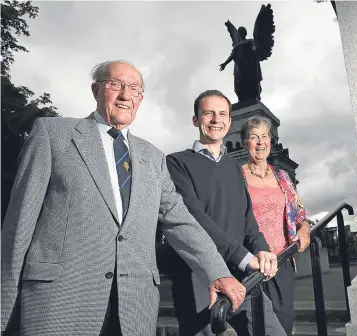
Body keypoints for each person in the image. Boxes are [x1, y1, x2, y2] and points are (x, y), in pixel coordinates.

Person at [1, 61, 247, 336]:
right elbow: (18, 227)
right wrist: (3, 312)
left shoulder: (153, 157)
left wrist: (218, 272)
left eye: (134, 89)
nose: (125, 95)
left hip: (134, 310)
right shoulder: (53, 134)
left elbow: (180, 221)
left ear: (140, 99)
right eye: (115, 84)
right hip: (61, 305)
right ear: (96, 90)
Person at [165, 89, 287, 336]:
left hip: (242, 275)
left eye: (222, 114)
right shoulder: (176, 163)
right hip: (198, 276)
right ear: (196, 119)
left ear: (230, 122)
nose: (215, 120)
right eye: (208, 113)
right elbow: (195, 219)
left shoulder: (234, 166)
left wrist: (262, 248)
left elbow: (247, 217)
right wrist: (242, 255)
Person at [240, 116, 312, 336]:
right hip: (253, 263)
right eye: (254, 137)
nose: (260, 142)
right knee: (257, 327)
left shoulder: (281, 176)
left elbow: (300, 212)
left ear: (270, 142)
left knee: (283, 324)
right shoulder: (236, 175)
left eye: (264, 137)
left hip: (282, 261)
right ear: (245, 143)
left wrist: (304, 228)